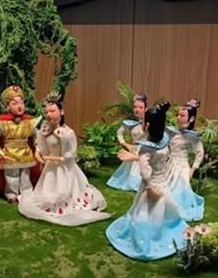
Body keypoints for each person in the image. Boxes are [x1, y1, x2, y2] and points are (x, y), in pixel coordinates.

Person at [106, 101, 188, 261]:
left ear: (147, 125)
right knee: (166, 210)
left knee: (145, 212)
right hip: (163, 183)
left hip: (151, 186)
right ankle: (164, 230)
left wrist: (150, 188)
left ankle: (150, 236)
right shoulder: (164, 141)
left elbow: (145, 173)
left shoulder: (146, 148)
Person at [18, 93, 111, 226]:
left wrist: (56, 158)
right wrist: (39, 153)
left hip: (65, 168)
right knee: (48, 187)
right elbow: (41, 147)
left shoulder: (68, 133)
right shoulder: (45, 129)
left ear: (61, 111)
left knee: (64, 190)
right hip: (51, 168)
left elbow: (71, 153)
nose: (49, 115)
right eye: (47, 112)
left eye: (52, 111)